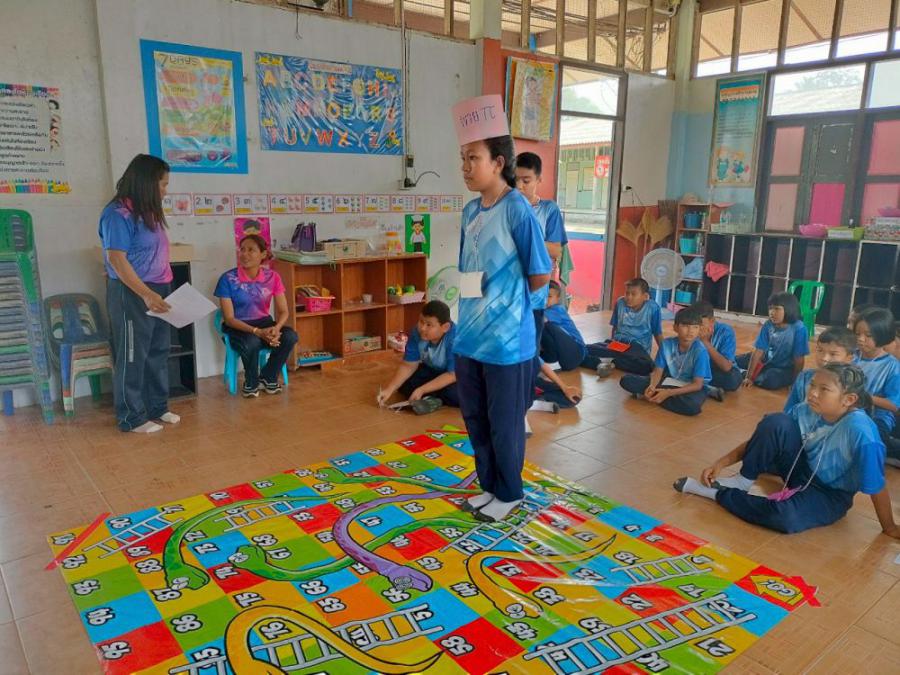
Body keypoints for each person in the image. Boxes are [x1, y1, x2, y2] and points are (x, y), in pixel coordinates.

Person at [452, 94, 552, 523]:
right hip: (469, 337)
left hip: (508, 343)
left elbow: (540, 273)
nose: (465, 166)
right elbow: (468, 269)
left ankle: (510, 493)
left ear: (498, 162)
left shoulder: (517, 209)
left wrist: (505, 304)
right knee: (475, 418)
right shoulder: (470, 211)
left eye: (472, 157)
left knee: (505, 422)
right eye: (462, 158)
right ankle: (489, 486)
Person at [674, 364, 900, 538]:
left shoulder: (862, 434)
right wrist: (721, 463)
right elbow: (767, 434)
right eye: (812, 385)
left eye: (824, 389)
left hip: (829, 494)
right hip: (799, 470)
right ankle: (743, 481)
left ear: (848, 399)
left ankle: (716, 494)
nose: (812, 393)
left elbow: (876, 486)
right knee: (775, 421)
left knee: (786, 518)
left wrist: (889, 527)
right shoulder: (806, 409)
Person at [100, 154, 179, 434]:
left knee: (158, 350)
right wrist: (145, 294)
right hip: (132, 292)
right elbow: (117, 260)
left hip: (159, 287)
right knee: (133, 354)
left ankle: (157, 406)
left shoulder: (149, 210)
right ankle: (131, 417)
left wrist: (160, 289)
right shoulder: (117, 214)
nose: (165, 191)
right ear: (146, 183)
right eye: (163, 184)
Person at [214, 235, 298, 397]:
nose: (244, 254)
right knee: (252, 341)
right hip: (237, 327)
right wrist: (257, 332)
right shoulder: (228, 279)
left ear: (263, 254)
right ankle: (251, 382)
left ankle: (268, 376)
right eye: (242, 250)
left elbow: (284, 311)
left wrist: (276, 328)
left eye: (251, 250)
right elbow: (229, 319)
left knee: (290, 336)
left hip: (264, 323)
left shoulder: (273, 277)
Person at [620, 306, 712, 416]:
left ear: (699, 329)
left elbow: (697, 385)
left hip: (691, 388)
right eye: (685, 326)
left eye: (695, 327)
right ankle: (659, 395)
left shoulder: (700, 351)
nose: (690, 331)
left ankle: (658, 396)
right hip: (669, 381)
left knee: (692, 406)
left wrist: (668, 393)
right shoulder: (667, 344)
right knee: (626, 380)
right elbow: (658, 371)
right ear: (675, 327)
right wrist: (652, 386)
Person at [377, 300, 458, 407]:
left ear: (445, 327)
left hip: (455, 374)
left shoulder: (456, 338)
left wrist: (422, 389)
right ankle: (433, 394)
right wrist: (389, 389)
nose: (422, 328)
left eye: (429, 325)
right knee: (405, 386)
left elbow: (452, 375)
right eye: (421, 321)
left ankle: (431, 395)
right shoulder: (416, 332)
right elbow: (408, 365)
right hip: (432, 369)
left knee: (454, 394)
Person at [581, 278, 663, 375]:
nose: (629, 297)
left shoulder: (653, 308)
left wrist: (664, 354)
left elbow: (657, 333)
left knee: (646, 366)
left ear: (645, 296)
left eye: (633, 294)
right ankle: (612, 361)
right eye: (627, 293)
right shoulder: (620, 303)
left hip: (637, 348)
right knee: (584, 349)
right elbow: (615, 327)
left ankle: (609, 361)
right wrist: (612, 343)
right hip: (619, 344)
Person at [852, 307, 900, 457]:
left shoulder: (892, 366)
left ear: (883, 335)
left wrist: (864, 397)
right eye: (857, 334)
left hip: (877, 417)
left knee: (870, 439)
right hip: (847, 410)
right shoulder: (851, 356)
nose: (860, 339)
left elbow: (894, 405)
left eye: (868, 335)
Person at [736, 292, 809, 389]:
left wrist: (795, 382)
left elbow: (799, 359)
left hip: (784, 369)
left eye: (777, 309)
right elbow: (758, 351)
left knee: (770, 381)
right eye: (770, 308)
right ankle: (750, 373)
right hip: (765, 360)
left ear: (789, 309)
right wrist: (748, 378)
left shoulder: (799, 328)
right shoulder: (768, 324)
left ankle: (743, 373)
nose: (772, 312)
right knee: (733, 360)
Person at [783, 326, 856, 412]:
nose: (824, 358)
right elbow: (789, 409)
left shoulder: (851, 385)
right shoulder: (804, 377)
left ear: (849, 358)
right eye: (820, 350)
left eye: (833, 354)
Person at [692, 301, 741, 399]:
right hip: (696, 368)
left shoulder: (725, 331)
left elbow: (726, 367)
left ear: (712, 321)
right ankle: (707, 389)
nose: (698, 328)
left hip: (716, 369)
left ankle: (698, 385)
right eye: (695, 323)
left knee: (733, 379)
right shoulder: (690, 328)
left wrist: (704, 341)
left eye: (701, 324)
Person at [540, 281, 586, 371]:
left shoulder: (557, 309)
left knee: (544, 324)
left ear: (558, 298)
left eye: (549, 296)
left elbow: (538, 319)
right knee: (540, 326)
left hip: (577, 351)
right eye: (542, 296)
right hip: (566, 356)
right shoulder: (545, 311)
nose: (545, 299)